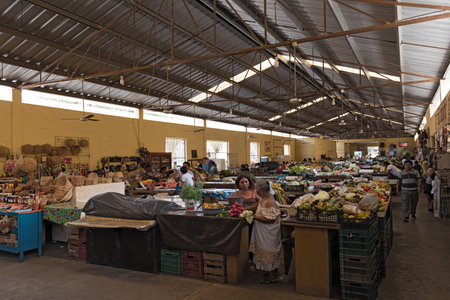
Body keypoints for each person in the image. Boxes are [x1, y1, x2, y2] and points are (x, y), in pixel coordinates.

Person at [250, 179, 281, 284]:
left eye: (257, 190)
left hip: (269, 233)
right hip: (264, 232)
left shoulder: (269, 201)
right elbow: (258, 205)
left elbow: (270, 219)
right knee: (266, 252)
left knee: (269, 253)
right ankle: (271, 272)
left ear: (261, 191)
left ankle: (272, 276)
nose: (256, 191)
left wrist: (254, 217)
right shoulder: (265, 198)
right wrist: (245, 209)